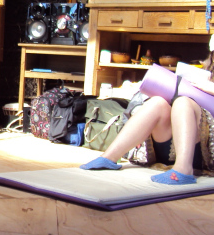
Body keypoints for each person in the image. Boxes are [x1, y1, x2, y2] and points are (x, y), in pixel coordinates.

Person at [80, 38, 214, 185]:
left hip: (204, 152)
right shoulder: (205, 73)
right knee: (158, 103)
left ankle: (183, 169)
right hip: (174, 145)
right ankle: (109, 157)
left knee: (183, 102)